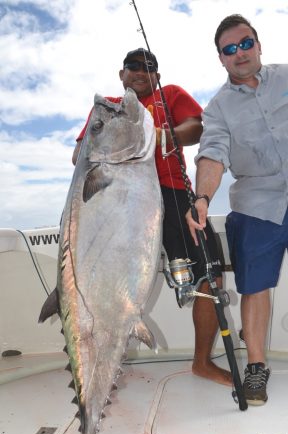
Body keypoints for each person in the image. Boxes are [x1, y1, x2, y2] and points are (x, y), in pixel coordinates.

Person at [187, 14, 288, 405]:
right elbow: (211, 156)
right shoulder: (217, 108)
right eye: (230, 50)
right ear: (221, 59)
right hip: (255, 209)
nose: (240, 53)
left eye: (245, 44)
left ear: (259, 45)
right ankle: (256, 368)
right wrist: (202, 198)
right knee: (253, 287)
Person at [73, 48, 231, 386]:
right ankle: (96, 360)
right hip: (119, 202)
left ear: (157, 75)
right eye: (132, 67)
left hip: (173, 195)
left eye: (149, 68)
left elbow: (196, 127)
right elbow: (80, 155)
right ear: (121, 74)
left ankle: (202, 362)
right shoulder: (108, 108)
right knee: (100, 280)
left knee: (210, 275)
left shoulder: (169, 95)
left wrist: (158, 134)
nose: (140, 73)